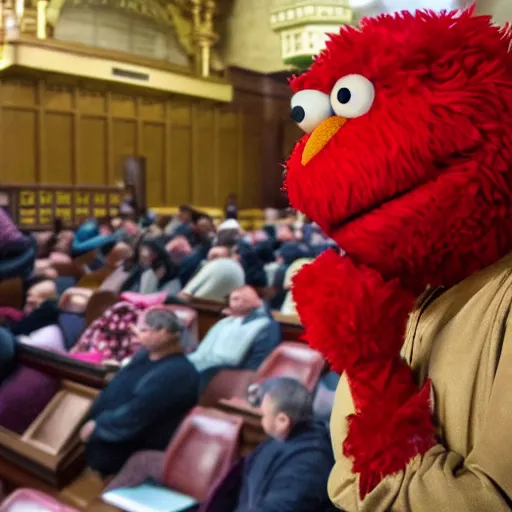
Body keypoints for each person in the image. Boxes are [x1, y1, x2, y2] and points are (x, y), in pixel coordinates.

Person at [80, 308, 199, 476]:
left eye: (144, 330)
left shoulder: (177, 373)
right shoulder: (144, 355)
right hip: (107, 433)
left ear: (164, 333)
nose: (135, 333)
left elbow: (136, 415)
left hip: (130, 448)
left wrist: (98, 426)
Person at [200, 378, 334, 512]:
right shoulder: (282, 438)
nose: (262, 420)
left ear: (282, 421)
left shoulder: (308, 464)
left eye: (264, 415)